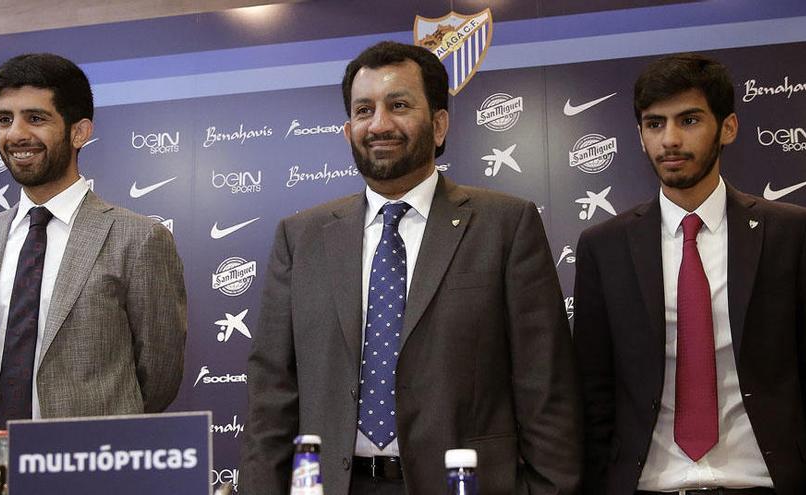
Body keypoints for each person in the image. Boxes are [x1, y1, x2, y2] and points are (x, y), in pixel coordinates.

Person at [242, 41, 581, 495]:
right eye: (364, 110)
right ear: (348, 131)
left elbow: (546, 388)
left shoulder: (506, 225)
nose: (379, 124)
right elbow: (272, 400)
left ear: (439, 125)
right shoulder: (300, 237)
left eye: (398, 105)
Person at [573, 52, 806, 495]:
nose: (670, 139)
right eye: (654, 123)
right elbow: (592, 392)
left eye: (689, 120)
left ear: (728, 127)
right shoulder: (604, 247)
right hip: (649, 485)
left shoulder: (793, 233)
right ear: (639, 135)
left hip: (765, 483)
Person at [0, 53, 187, 493]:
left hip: (89, 476)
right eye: (4, 119)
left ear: (79, 131)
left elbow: (157, 378)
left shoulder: (138, 239)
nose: (16, 134)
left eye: (36, 118)